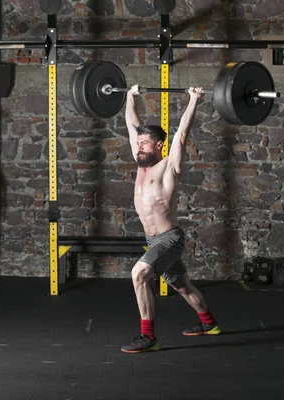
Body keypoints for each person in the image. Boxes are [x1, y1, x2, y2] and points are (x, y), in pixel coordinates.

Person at [120, 85, 221, 354]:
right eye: (138, 143)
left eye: (144, 143)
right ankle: (209, 324)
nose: (139, 147)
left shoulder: (169, 167)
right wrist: (129, 97)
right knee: (181, 285)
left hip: (169, 239)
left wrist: (193, 99)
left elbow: (182, 135)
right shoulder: (141, 162)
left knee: (139, 274)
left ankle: (148, 337)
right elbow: (132, 126)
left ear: (159, 145)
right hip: (153, 240)